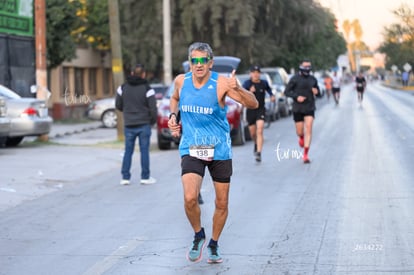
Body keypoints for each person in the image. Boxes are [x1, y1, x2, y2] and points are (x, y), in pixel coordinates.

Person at [168, 42, 258, 263]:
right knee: (190, 198)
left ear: (210, 62)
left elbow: (253, 104)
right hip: (192, 146)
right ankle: (199, 234)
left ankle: (214, 244)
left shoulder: (221, 83)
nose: (198, 65)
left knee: (221, 203)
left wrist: (237, 88)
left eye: (202, 61)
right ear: (190, 63)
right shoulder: (181, 80)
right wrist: (173, 117)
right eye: (194, 61)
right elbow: (174, 99)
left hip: (219, 148)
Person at [115, 64, 158, 185]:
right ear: (143, 74)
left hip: (129, 124)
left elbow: (118, 105)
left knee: (128, 151)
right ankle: (145, 177)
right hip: (144, 124)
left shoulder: (122, 88)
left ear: (132, 73)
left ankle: (125, 177)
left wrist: (128, 112)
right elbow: (153, 109)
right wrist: (151, 122)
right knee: (144, 151)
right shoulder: (147, 89)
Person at [284, 59, 319, 163]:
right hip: (298, 108)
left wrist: (316, 92)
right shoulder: (294, 79)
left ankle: (305, 155)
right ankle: (301, 137)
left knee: (308, 128)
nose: (307, 69)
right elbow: (286, 92)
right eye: (305, 66)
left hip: (309, 107)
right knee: (299, 131)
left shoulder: (313, 79)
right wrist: (296, 97)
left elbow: (319, 93)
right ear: (300, 67)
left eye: (309, 67)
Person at [242, 65, 275, 162]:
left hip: (261, 109)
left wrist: (272, 96)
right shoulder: (247, 84)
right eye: (253, 72)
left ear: (260, 74)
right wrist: (249, 92)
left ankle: (259, 153)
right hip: (250, 110)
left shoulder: (264, 83)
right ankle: (256, 143)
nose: (255, 74)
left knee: (260, 130)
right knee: (253, 133)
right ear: (250, 74)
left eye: (257, 72)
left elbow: (269, 91)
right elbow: (242, 94)